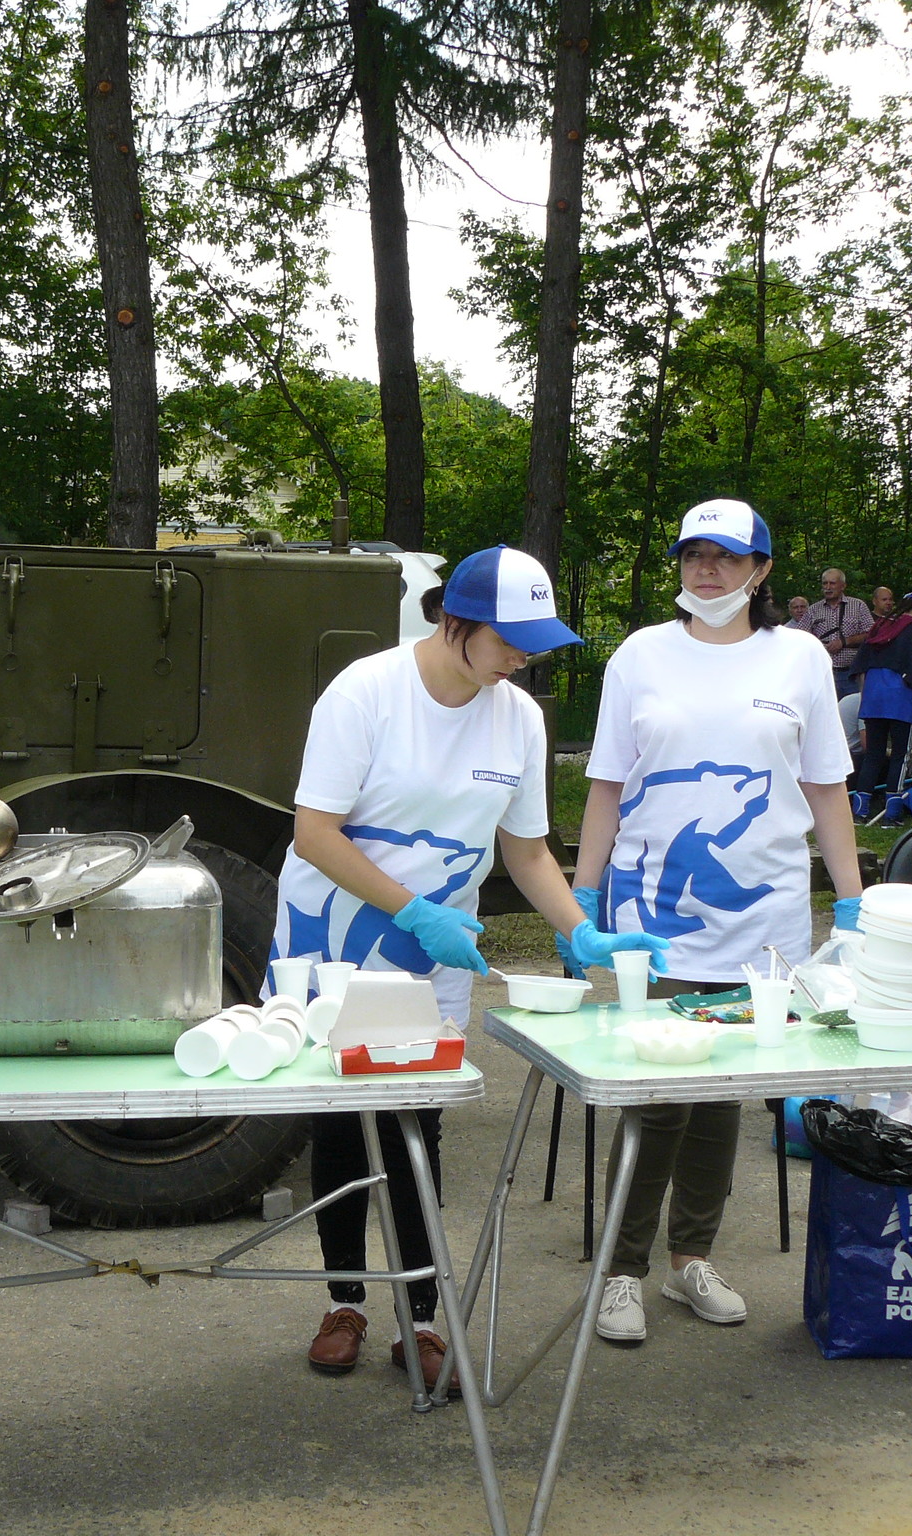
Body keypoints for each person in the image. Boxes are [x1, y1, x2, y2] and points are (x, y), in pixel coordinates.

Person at [274, 545, 665, 1389]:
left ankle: (420, 1316)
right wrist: (407, 909)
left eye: (535, 638)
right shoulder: (368, 692)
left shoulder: (518, 716)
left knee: (420, 1117)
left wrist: (579, 929)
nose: (525, 654)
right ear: (456, 623)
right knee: (342, 1115)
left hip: (436, 947)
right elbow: (315, 832)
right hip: (335, 933)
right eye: (511, 637)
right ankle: (345, 1301)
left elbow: (524, 850)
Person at [574, 500, 864, 1345]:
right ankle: (621, 1271)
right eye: (694, 555)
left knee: (727, 1094)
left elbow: (826, 788)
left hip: (764, 915)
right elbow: (604, 787)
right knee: (662, 1092)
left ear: (762, 571)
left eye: (728, 558)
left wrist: (848, 899)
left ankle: (688, 1259)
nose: (708, 571)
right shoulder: (639, 654)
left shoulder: (801, 656)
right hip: (653, 914)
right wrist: (582, 898)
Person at [848, 591, 912, 819]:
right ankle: (892, 813)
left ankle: (860, 809)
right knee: (900, 755)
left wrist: (866, 697)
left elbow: (860, 668)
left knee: (873, 754)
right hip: (899, 697)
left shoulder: (878, 626)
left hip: (873, 696)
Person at [800, 568, 872, 697]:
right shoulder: (813, 610)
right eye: (824, 583)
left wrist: (844, 642)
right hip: (822, 674)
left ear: (843, 586)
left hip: (851, 675)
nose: (828, 587)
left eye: (832, 583)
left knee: (850, 712)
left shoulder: (858, 606)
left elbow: (871, 634)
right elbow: (800, 637)